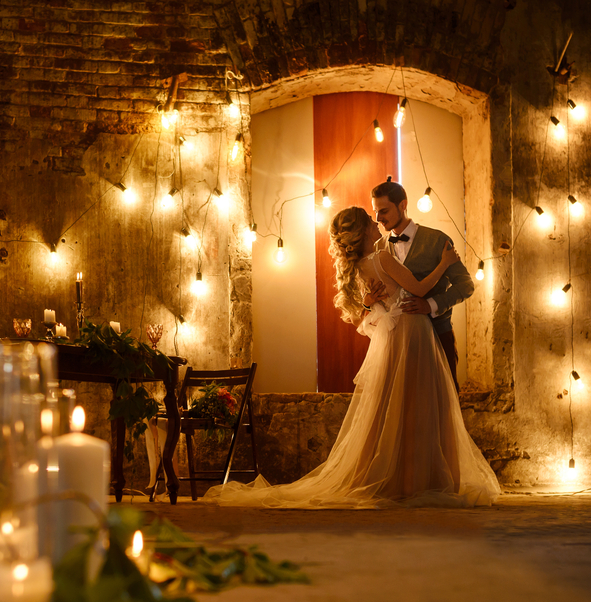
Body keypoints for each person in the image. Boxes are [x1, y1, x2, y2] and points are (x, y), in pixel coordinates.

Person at [204, 206, 500, 508]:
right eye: (370, 220)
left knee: (394, 409)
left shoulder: (359, 267)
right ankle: (418, 481)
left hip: (392, 338)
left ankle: (402, 479)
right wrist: (445, 263)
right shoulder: (382, 258)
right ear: (363, 231)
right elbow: (421, 289)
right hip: (412, 331)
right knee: (419, 408)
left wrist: (370, 303)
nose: (376, 222)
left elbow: (366, 314)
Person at [367, 179, 474, 391]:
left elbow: (466, 285)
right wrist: (368, 301)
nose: (378, 219)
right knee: (402, 400)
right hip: (396, 341)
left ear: (403, 205)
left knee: (443, 398)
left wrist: (431, 305)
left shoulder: (438, 240)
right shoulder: (379, 248)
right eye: (376, 212)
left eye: (384, 211)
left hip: (437, 335)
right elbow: (371, 296)